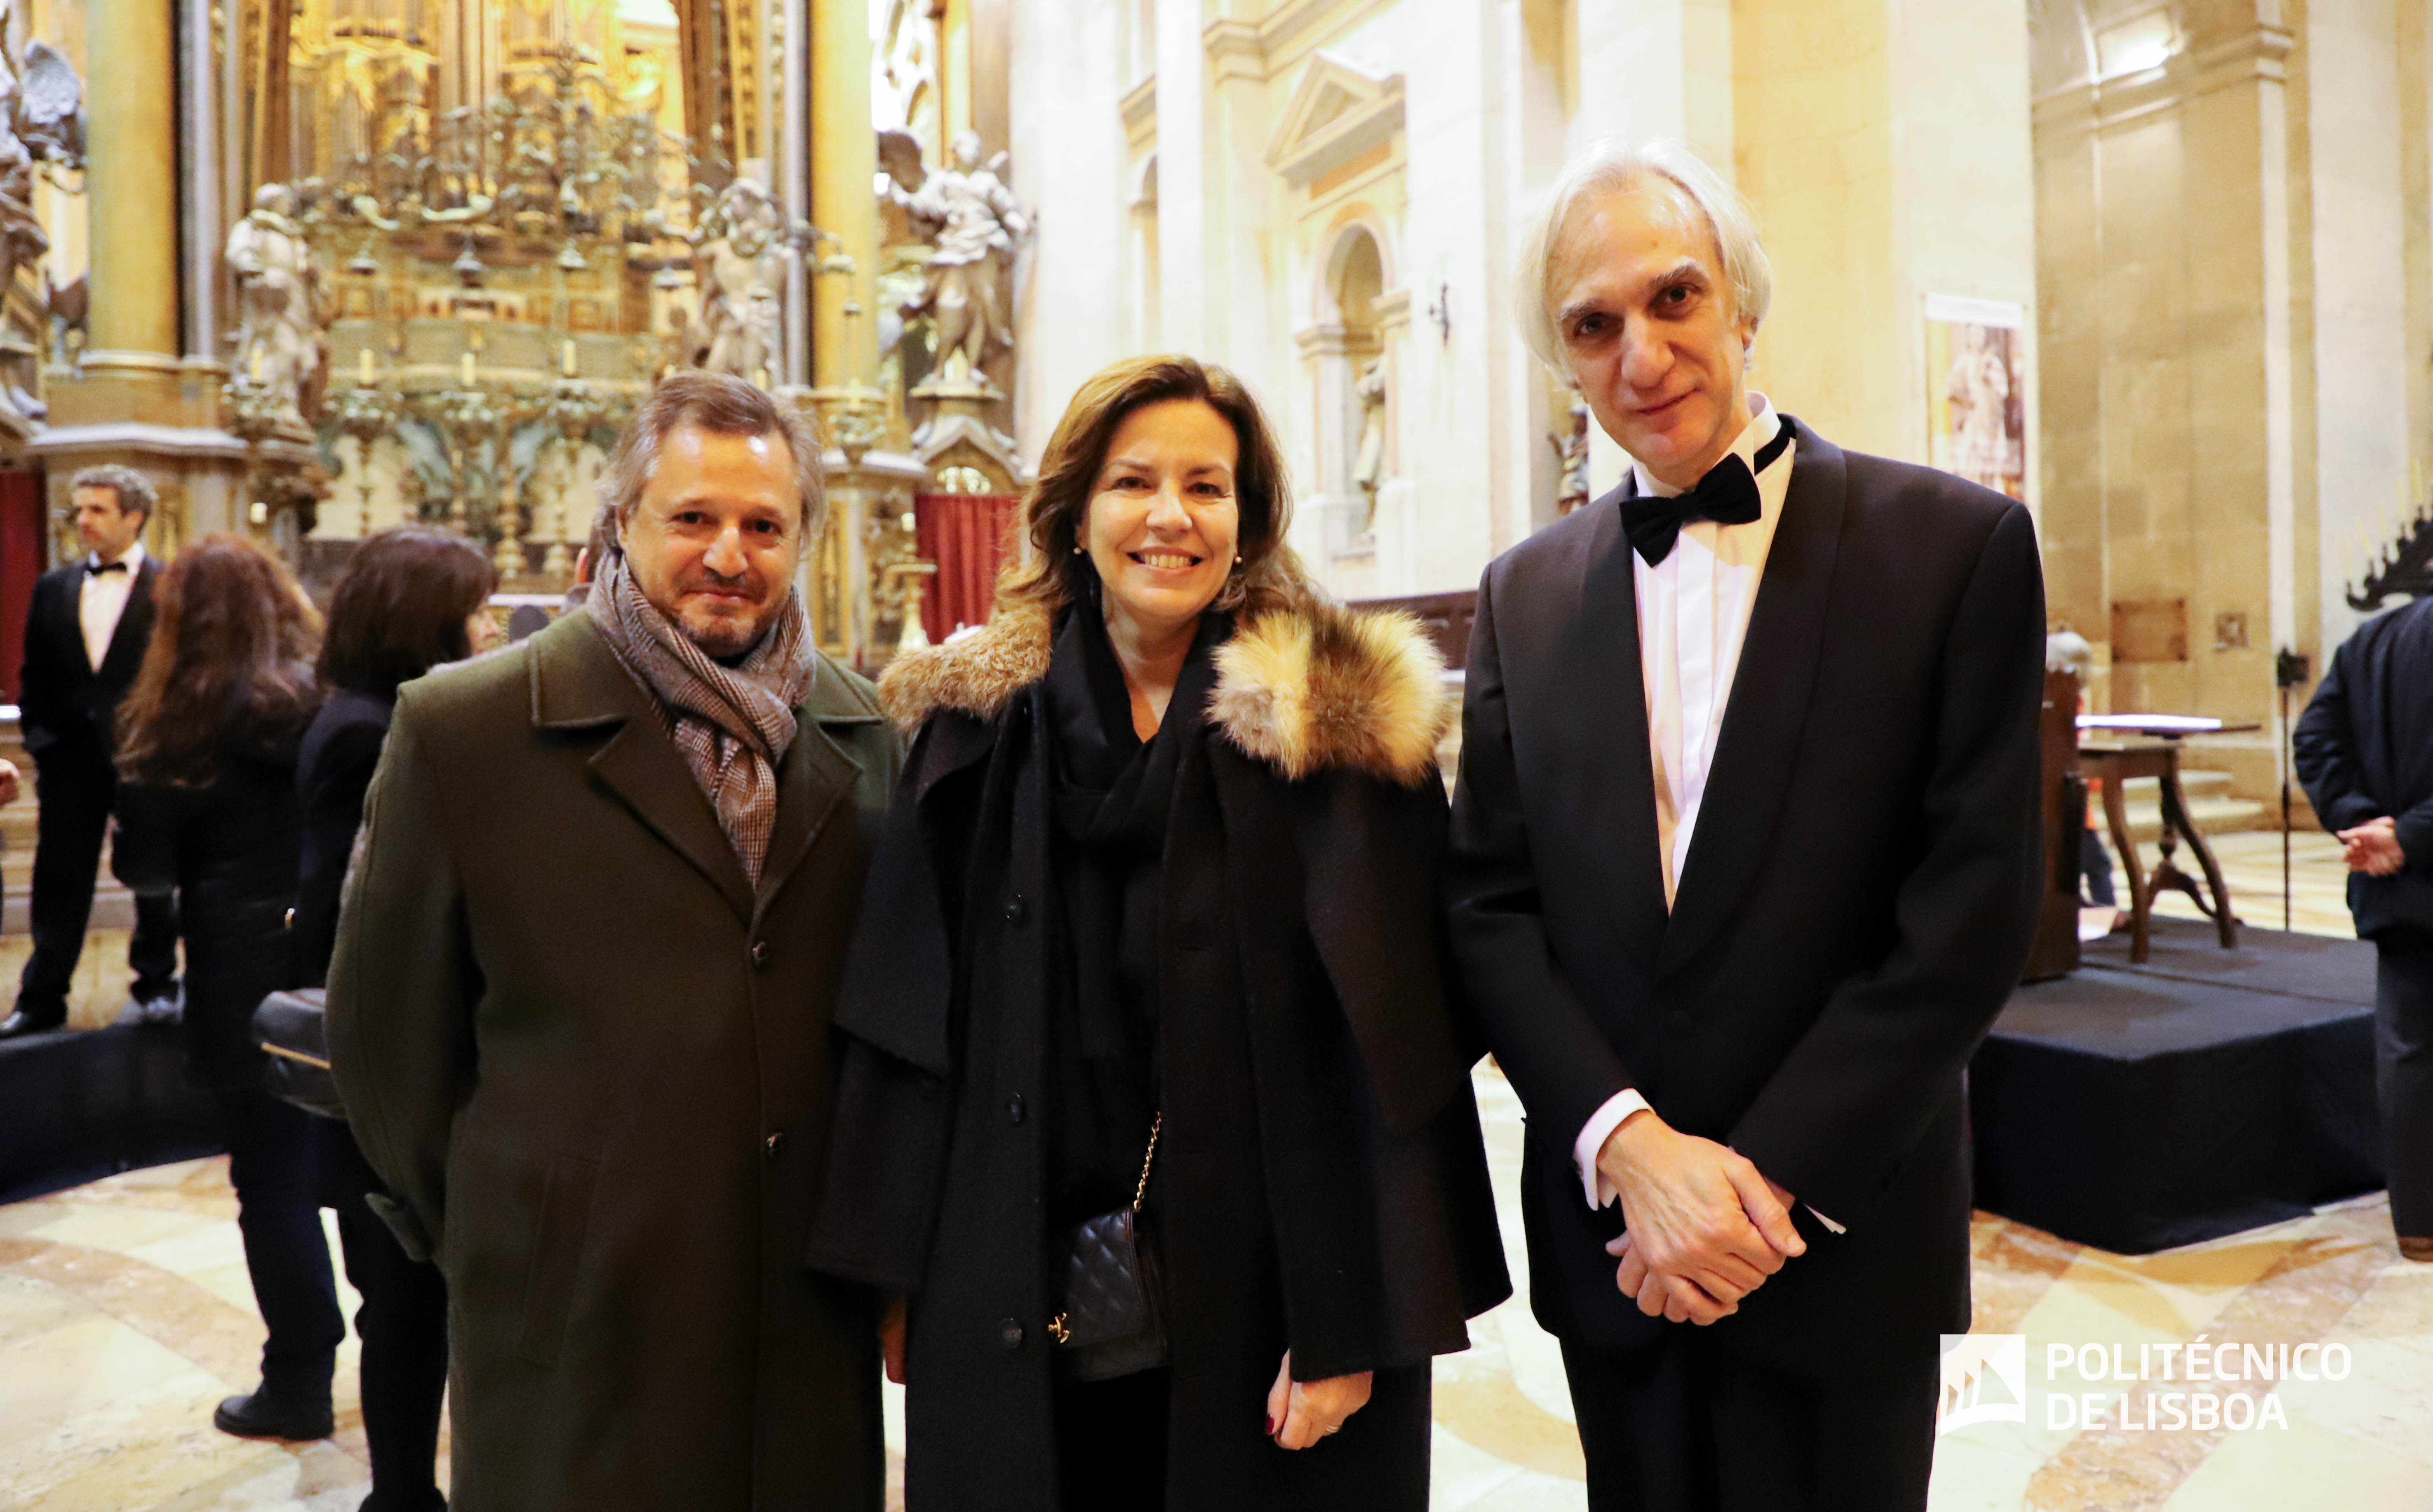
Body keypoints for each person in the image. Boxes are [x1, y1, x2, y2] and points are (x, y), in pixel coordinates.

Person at [1446, 139, 2045, 1511]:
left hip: (1838, 1235)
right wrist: (1630, 1149)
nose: (1641, 353)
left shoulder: (1949, 547)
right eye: (1592, 325)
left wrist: (1755, 1191)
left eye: (1673, 297)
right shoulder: (1523, 594)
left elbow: (1966, 913)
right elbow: (1487, 907)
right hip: (1616, 1249)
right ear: (1563, 360)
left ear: (1742, 305)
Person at [806, 355, 1510, 1512]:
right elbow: (897, 1018)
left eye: (1207, 485)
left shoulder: (1333, 736)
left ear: (1248, 522)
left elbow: (1401, 1051)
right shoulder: (971, 737)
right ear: (1074, 516)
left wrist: (1357, 1318)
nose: (1171, 516)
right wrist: (896, 1276)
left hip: (1273, 1288)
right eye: (1134, 482)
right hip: (1008, 1273)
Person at [326, 372, 898, 1512]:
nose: (727, 553)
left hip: (799, 1318)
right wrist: (522, 1224)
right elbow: (385, 1043)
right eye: (692, 517)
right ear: (622, 524)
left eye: (762, 524)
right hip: (577, 1324)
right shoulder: (466, 727)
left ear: (803, 543)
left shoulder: (864, 729)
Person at [108, 535, 337, 1441]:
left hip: (242, 978)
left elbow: (148, 869)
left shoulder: (176, 713)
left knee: (271, 1185)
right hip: (336, 959)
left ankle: (298, 1379)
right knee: (368, 1182)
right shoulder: (324, 702)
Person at [292, 526, 500, 1512]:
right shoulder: (373, 731)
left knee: (411, 1306)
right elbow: (357, 922)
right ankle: (404, 1497)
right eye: (476, 606)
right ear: (426, 619)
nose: (494, 623)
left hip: (396, 1073)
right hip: (385, 1082)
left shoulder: (370, 716)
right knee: (403, 1309)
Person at [7, 464, 180, 1037]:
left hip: (146, 758)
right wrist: (42, 743)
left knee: (153, 876)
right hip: (70, 763)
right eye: (78, 509)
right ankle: (42, 998)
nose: (83, 520)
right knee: (59, 881)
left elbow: (182, 676)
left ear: (135, 517)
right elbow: (33, 678)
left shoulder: (170, 586)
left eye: (98, 509)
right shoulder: (53, 587)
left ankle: (157, 986)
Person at [2294, 594, 2433, 1264]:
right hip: (2407, 861)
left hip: (2396, 887)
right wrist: (2407, 834)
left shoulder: (2372, 639)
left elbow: (2315, 740)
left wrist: (2363, 822)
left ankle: (2419, 1225)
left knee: (2409, 1051)